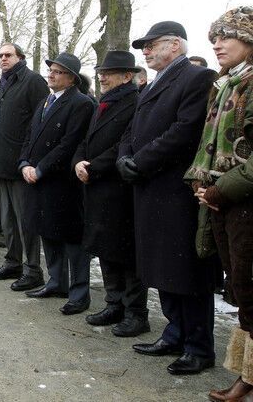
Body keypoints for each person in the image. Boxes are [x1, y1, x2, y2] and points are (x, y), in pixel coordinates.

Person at [118, 21, 216, 375]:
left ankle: (198, 347)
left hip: (175, 190)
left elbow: (185, 131)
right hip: (150, 188)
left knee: (186, 272)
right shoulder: (153, 84)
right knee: (163, 269)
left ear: (175, 45)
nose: (145, 51)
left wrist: (140, 162)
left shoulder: (196, 79)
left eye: (151, 45)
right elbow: (132, 128)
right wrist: (123, 157)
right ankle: (174, 333)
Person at [184, 6, 253, 400]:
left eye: (226, 36)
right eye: (214, 36)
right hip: (224, 202)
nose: (216, 43)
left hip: (244, 203)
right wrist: (203, 183)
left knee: (250, 287)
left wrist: (221, 187)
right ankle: (247, 375)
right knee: (243, 289)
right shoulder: (226, 84)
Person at [72, 51, 149, 336]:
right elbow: (86, 139)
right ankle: (113, 303)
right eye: (101, 72)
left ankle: (136, 313)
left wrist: (93, 167)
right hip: (96, 187)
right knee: (105, 249)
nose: (102, 77)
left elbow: (124, 145)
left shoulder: (135, 102)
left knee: (125, 252)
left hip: (118, 189)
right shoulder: (102, 102)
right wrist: (78, 161)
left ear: (127, 76)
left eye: (109, 72)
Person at [21, 52, 93, 316]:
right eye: (50, 70)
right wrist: (24, 164)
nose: (50, 74)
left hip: (64, 184)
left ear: (71, 78)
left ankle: (79, 293)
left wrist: (40, 168)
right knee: (47, 232)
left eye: (58, 71)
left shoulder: (81, 104)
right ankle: (56, 282)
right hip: (38, 181)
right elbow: (29, 138)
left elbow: (69, 144)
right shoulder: (44, 102)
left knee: (72, 239)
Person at [0, 42, 48, 291]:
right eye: (0, 55)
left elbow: (41, 120)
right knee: (8, 219)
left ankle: (33, 269)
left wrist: (30, 158)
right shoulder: (0, 85)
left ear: (20, 57)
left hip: (22, 163)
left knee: (25, 220)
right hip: (1, 162)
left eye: (8, 55)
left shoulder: (33, 81)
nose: (3, 59)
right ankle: (13, 262)